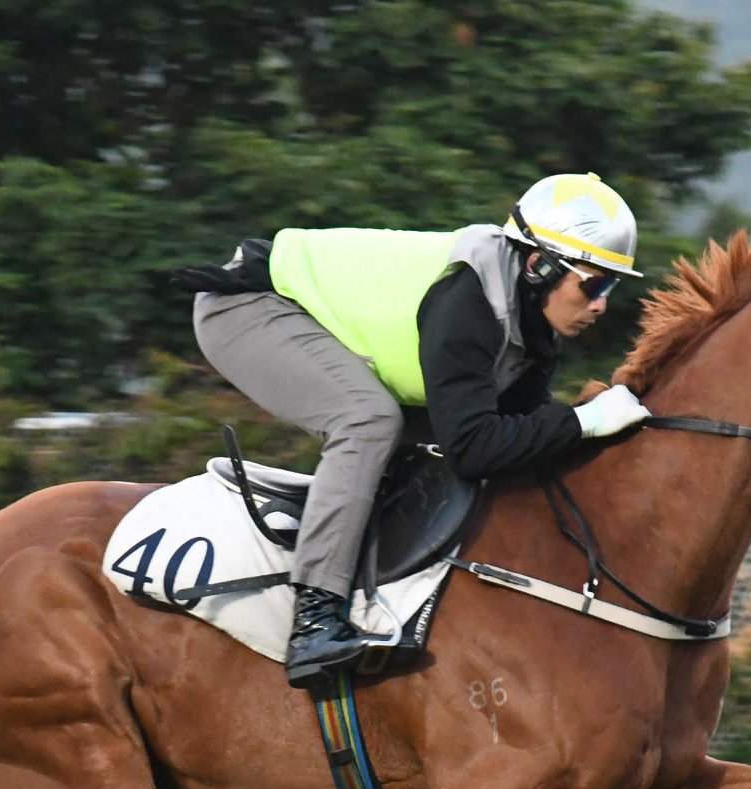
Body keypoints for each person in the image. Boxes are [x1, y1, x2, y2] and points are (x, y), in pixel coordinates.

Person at [175, 172, 652, 686]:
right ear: (539, 266)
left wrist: (583, 425)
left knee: (422, 432)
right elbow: (473, 449)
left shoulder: (532, 325)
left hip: (298, 313)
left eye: (611, 286)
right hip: (250, 306)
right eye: (593, 283)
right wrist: (581, 422)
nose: (602, 304)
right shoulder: (466, 305)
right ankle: (313, 618)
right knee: (368, 421)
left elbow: (514, 435)